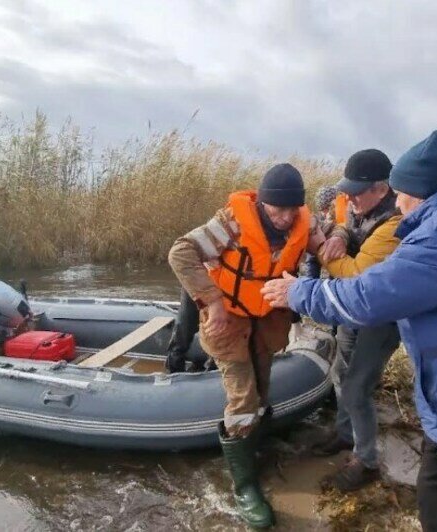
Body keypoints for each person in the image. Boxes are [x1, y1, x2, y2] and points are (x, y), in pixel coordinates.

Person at [262, 131, 437, 532]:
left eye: (402, 193)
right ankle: (350, 439)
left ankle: (366, 459)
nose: (400, 202)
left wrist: (298, 291)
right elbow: (350, 237)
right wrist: (339, 234)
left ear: (421, 193)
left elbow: (368, 295)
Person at [167, 163, 326, 528]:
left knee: (263, 384)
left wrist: (334, 239)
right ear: (263, 204)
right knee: (243, 396)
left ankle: (257, 444)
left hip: (267, 317)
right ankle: (243, 485)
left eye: (291, 210)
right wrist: (213, 302)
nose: (285, 218)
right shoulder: (231, 223)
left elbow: (325, 234)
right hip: (230, 317)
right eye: (276, 210)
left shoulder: (306, 220)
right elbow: (182, 252)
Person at [308, 148, 403, 492]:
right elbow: (349, 229)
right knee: (339, 371)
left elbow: (357, 275)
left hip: (381, 317)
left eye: (356, 191)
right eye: (346, 189)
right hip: (353, 311)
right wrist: (338, 235)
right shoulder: (359, 205)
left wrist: (319, 245)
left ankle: (367, 461)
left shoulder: (395, 222)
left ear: (381, 188)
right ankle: (345, 434)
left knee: (357, 387)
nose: (349, 197)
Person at [303, 185, 339, 279]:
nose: (325, 212)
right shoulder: (317, 218)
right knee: (311, 262)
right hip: (316, 253)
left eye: (328, 208)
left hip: (334, 252)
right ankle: (309, 283)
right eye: (323, 209)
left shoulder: (340, 215)